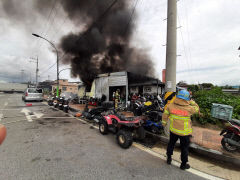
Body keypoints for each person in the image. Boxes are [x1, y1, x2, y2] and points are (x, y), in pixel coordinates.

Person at [162, 90, 199, 170]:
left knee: (171, 144)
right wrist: (192, 101)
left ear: (177, 97)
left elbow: (165, 116)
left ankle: (168, 159)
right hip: (185, 133)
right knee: (184, 148)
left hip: (173, 131)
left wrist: (164, 124)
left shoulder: (170, 106)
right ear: (187, 98)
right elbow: (197, 108)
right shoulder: (190, 108)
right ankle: (183, 164)